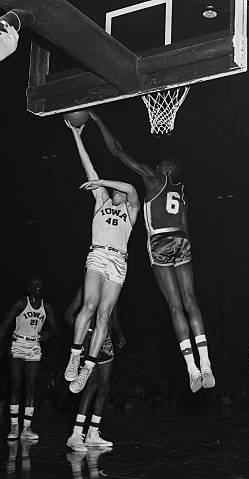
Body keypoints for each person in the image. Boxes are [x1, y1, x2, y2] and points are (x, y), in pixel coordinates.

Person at [89, 112, 214, 393]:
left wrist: (99, 121)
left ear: (167, 168)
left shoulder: (155, 178)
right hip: (183, 242)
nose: (157, 164)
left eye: (161, 164)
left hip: (160, 242)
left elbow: (117, 151)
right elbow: (186, 228)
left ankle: (192, 369)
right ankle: (206, 363)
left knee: (173, 305)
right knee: (191, 299)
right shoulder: (181, 193)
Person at [62, 120, 139, 395]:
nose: (116, 190)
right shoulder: (101, 201)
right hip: (97, 256)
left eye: (115, 188)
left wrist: (103, 181)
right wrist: (76, 135)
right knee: (90, 305)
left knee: (105, 315)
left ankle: (88, 368)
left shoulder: (131, 210)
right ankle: (75, 356)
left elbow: (131, 186)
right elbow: (88, 166)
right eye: (112, 189)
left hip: (119, 261)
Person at [0, 277, 59, 441]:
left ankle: (27, 429)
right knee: (15, 384)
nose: (38, 286)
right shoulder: (21, 304)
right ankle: (14, 427)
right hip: (18, 344)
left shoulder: (47, 307)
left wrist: (49, 334)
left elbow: (56, 328)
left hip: (35, 346)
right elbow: (4, 325)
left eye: (40, 285)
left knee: (31, 387)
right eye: (35, 284)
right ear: (29, 287)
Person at [64, 286, 126, 451]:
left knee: (104, 387)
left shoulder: (113, 288)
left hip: (105, 341)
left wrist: (119, 333)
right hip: (89, 339)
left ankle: (93, 433)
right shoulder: (86, 289)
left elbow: (114, 318)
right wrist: (83, 334)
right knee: (90, 385)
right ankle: (76, 434)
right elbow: (69, 315)